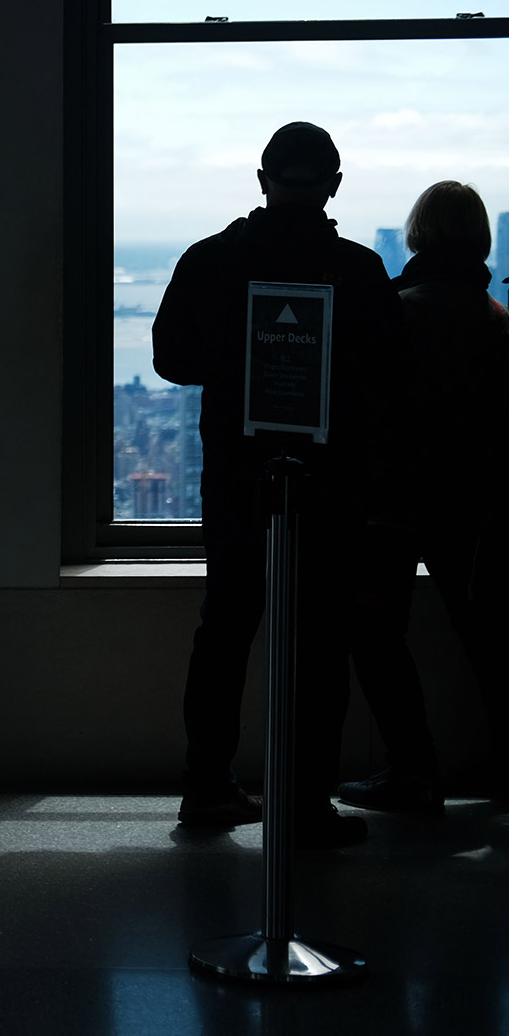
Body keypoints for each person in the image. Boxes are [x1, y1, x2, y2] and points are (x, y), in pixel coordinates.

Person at [152, 122, 404, 847]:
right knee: (321, 645)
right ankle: (304, 805)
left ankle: (206, 789)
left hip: (236, 476)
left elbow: (172, 359)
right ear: (334, 184)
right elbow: (391, 376)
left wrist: (237, 368)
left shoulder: (211, 260)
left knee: (225, 630)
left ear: (262, 178)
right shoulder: (357, 271)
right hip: (331, 483)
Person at [342, 181, 509, 811]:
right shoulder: (496, 322)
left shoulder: (396, 311)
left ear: (417, 234)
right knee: (489, 640)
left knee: (377, 634)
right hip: (477, 509)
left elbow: (361, 410)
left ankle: (412, 769)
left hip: (389, 505)